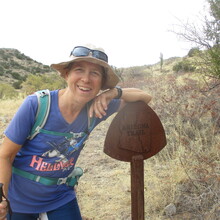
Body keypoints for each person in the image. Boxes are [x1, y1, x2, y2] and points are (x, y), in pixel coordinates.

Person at [0, 45, 152, 220]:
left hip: (60, 198)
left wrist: (112, 94)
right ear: (66, 74)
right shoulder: (37, 105)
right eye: (79, 70)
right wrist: (2, 200)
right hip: (19, 199)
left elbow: (145, 97)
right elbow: (5, 155)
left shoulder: (98, 108)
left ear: (102, 82)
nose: (86, 79)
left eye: (95, 73)